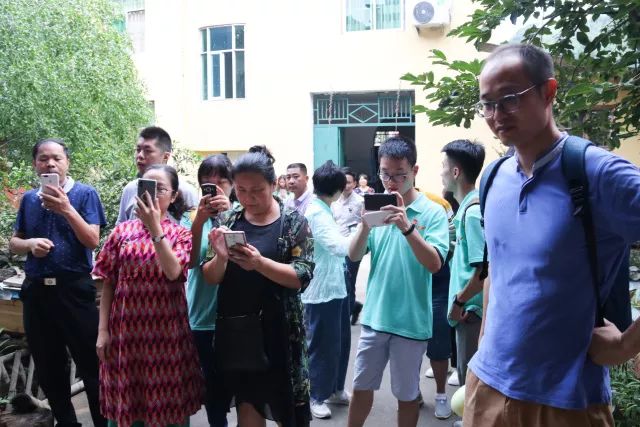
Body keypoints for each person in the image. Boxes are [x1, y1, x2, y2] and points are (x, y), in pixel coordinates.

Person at [464, 43, 640, 426]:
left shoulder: (597, 173)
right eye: (488, 104)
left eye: (510, 99)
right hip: (487, 388)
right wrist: (483, 348)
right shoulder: (493, 178)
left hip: (565, 400)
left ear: (549, 91)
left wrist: (627, 345)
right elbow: (498, 268)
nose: (497, 115)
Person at [201, 146, 314, 427]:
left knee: (289, 409)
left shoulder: (294, 223)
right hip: (240, 333)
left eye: (257, 190)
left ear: (274, 185)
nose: (248, 198)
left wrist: (259, 263)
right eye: (241, 190)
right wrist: (220, 257)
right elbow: (210, 277)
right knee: (248, 408)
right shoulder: (228, 220)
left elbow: (301, 276)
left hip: (281, 332)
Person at [347, 136, 450, 427]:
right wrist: (365, 225)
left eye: (399, 175)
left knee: (407, 395)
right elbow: (353, 255)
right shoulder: (376, 209)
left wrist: (407, 227)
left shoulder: (433, 212)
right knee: (361, 388)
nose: (390, 183)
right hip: (375, 317)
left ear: (414, 171)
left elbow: (434, 264)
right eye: (384, 174)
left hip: (411, 322)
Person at [93, 165, 204, 427]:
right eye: (146, 187)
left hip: (167, 337)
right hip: (125, 336)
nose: (152, 195)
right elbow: (108, 283)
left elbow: (173, 271)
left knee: (169, 402)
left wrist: (155, 228)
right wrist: (102, 331)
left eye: (160, 189)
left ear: (173, 196)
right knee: (128, 404)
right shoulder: (121, 232)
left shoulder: (181, 234)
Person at [10, 138, 107, 427]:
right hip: (37, 292)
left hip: (74, 290)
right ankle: (66, 423)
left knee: (92, 365)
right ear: (35, 164)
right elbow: (14, 242)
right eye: (43, 158)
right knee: (48, 367)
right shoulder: (29, 199)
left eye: (56, 158)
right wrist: (30, 244)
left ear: (67, 162)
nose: (50, 164)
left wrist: (66, 208)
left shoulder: (85, 194)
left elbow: (92, 240)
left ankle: (103, 423)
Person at [180, 154, 236, 427]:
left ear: (232, 184)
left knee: (243, 386)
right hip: (203, 316)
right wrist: (199, 221)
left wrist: (229, 213)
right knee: (212, 388)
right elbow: (188, 262)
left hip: (238, 316)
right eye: (207, 183)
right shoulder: (190, 218)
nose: (215, 189)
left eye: (221, 182)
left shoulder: (243, 212)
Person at [440, 139, 486, 426]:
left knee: (472, 380)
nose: (441, 173)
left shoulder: (472, 212)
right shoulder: (468, 208)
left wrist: (460, 302)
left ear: (456, 172)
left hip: (471, 312)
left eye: (443, 167)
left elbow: (483, 271)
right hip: (468, 310)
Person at [303, 161, 351, 419]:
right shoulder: (318, 213)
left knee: (339, 343)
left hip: (334, 287)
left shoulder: (324, 208)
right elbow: (338, 247)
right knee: (322, 346)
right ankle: (316, 395)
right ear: (339, 190)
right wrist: (364, 231)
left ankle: (335, 389)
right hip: (321, 292)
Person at [422, 191, 457, 420]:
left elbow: (451, 246)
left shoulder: (438, 205)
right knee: (407, 344)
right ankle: (412, 392)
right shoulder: (389, 207)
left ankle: (441, 394)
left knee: (438, 340)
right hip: (410, 284)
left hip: (439, 283)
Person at [117, 126, 198, 224]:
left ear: (165, 156)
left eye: (148, 151)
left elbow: (194, 230)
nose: (140, 155)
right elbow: (120, 227)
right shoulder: (129, 189)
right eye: (138, 150)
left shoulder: (186, 192)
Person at [331, 167, 364, 325]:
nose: (345, 185)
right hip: (336, 246)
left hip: (352, 248)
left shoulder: (360, 202)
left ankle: (346, 313)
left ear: (355, 184)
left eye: (349, 182)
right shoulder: (334, 200)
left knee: (349, 280)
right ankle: (354, 306)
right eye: (343, 182)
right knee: (339, 280)